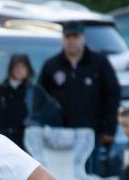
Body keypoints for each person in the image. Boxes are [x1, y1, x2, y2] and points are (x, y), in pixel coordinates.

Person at [39, 21, 120, 170]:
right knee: (62, 174)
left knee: (88, 174)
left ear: (83, 38)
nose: (71, 41)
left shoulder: (99, 64)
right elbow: (40, 99)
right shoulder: (51, 65)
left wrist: (109, 129)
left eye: (75, 36)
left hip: (90, 133)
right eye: (67, 37)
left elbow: (112, 96)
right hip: (59, 134)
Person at [0, 53, 63, 150]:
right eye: (16, 66)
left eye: (23, 67)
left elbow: (53, 110)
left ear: (28, 70)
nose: (19, 70)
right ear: (10, 68)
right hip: (1, 143)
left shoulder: (35, 91)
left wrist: (35, 121)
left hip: (27, 145)